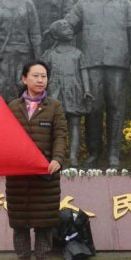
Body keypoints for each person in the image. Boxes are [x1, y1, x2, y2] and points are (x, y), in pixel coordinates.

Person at [65, 0, 131, 168]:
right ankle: (93, 154)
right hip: (91, 63)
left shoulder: (124, 2)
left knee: (116, 108)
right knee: (93, 108)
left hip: (118, 63)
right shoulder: (83, 3)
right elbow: (67, 28)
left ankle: (114, 155)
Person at [6, 61, 68, 260]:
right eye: (35, 75)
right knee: (20, 226)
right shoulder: (12, 107)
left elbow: (61, 135)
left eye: (44, 76)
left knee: (44, 226)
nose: (40, 80)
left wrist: (58, 159)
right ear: (24, 79)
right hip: (18, 179)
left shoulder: (55, 107)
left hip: (46, 178)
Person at [41, 20, 94, 167]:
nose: (70, 30)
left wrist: (87, 90)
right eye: (65, 29)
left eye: (70, 28)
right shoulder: (50, 54)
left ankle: (73, 157)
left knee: (75, 123)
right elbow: (43, 73)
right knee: (54, 124)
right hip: (55, 91)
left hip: (74, 89)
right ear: (56, 35)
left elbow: (84, 72)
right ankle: (55, 156)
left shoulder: (78, 54)